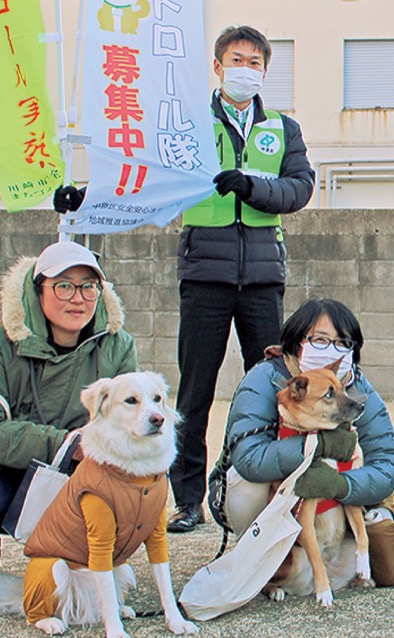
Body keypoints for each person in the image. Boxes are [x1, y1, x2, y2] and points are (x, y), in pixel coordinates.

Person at [57, 25, 318, 531]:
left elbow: (299, 188)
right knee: (194, 391)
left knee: (272, 386)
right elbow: (143, 175)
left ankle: (270, 490)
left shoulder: (283, 129)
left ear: (265, 70)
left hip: (264, 274)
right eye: (236, 60)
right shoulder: (189, 123)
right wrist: (86, 199)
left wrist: (251, 187)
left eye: (255, 62)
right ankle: (186, 499)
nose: (246, 69)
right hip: (204, 272)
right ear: (217, 67)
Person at [0, 240, 137, 602]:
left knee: (132, 488)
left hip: (76, 474)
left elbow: (128, 422)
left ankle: (86, 566)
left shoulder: (117, 345)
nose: (77, 298)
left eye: (89, 286)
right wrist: (63, 443)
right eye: (63, 286)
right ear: (37, 289)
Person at [212, 297, 394, 587]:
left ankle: (332, 560)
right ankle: (263, 554)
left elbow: (386, 463)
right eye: (320, 340)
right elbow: (249, 457)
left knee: (376, 528)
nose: (333, 350)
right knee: (245, 483)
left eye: (343, 343)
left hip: (336, 510)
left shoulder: (356, 387)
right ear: (297, 342)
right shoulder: (264, 378)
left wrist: (343, 485)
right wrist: (315, 450)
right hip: (279, 501)